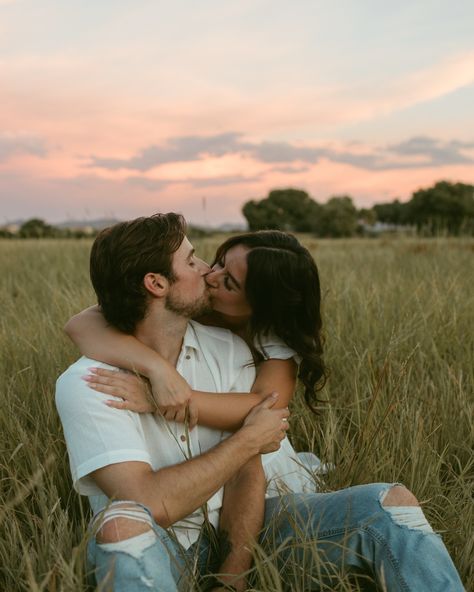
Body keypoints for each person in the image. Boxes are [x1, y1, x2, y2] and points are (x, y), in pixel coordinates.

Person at [56, 213, 464, 592]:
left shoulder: (243, 348)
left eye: (226, 278)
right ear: (156, 284)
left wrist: (234, 574)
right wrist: (164, 377)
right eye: (197, 260)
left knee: (391, 505)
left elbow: (258, 428)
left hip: (258, 520)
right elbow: (149, 501)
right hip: (166, 544)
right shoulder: (89, 382)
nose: (209, 273)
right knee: (121, 527)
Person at [64, 229, 328, 496]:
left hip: (264, 471)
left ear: (261, 306)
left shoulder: (273, 338)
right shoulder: (187, 303)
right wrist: (159, 370)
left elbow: (265, 407)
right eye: (221, 262)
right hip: (213, 468)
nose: (211, 276)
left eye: (229, 283)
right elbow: (80, 325)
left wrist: (165, 400)